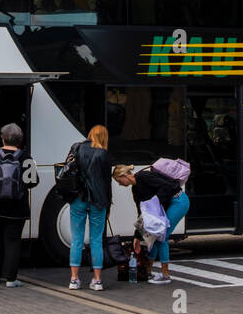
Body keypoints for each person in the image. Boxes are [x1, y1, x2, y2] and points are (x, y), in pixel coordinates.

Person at [0, 123, 38, 287]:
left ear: (2, 138)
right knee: (13, 241)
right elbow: (33, 182)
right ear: (20, 140)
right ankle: (11, 279)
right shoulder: (26, 157)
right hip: (17, 208)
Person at [112, 162, 188, 285]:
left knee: (162, 237)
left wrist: (155, 203)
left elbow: (167, 187)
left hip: (178, 201)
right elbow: (141, 213)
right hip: (166, 205)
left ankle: (165, 275)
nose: (120, 185)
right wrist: (137, 237)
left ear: (124, 176)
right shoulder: (135, 189)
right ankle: (148, 271)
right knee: (153, 237)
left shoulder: (144, 176)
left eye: (119, 181)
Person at [67, 124, 112, 292]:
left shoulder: (77, 148)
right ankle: (97, 280)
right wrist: (108, 203)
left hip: (78, 197)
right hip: (98, 200)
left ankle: (74, 279)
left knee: (77, 239)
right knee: (96, 240)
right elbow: (107, 182)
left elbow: (69, 171)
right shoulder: (104, 154)